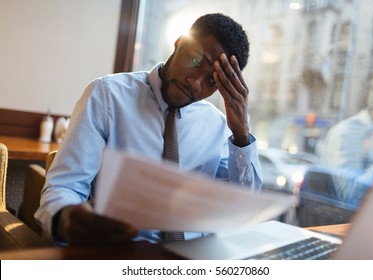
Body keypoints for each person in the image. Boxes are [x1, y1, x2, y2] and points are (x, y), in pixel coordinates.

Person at [35, 13, 263, 246]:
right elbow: (64, 187)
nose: (195, 83)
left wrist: (242, 133)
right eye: (195, 61)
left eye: (212, 82)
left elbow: (240, 207)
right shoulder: (107, 96)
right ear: (180, 43)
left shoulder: (219, 126)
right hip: (123, 252)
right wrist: (65, 218)